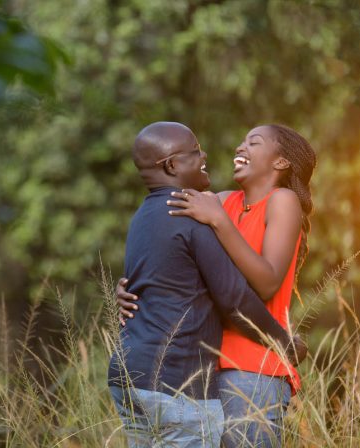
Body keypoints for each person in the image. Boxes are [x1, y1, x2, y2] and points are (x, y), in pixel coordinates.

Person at [117, 124, 316, 447]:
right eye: (242, 140)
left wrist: (219, 220)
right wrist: (130, 287)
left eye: (254, 142)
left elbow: (266, 283)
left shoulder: (282, 201)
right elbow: (173, 252)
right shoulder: (220, 201)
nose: (241, 147)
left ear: (280, 162)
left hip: (255, 369)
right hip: (203, 374)